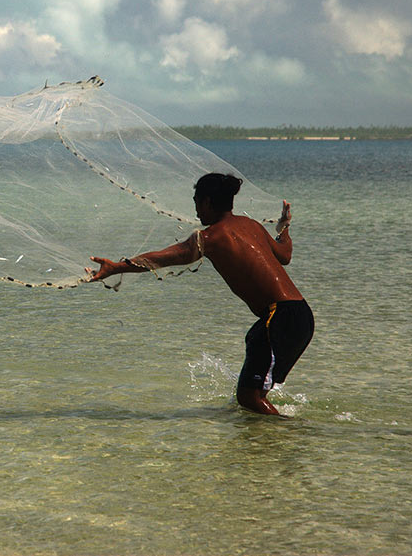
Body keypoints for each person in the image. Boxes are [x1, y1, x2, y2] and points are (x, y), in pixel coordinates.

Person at [88, 173, 314, 415]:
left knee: (248, 397)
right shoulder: (253, 226)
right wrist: (284, 229)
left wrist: (116, 267)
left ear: (207, 202)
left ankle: (290, 435)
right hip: (298, 315)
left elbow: (163, 258)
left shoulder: (211, 238)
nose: (195, 209)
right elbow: (285, 255)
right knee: (253, 372)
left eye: (196, 201)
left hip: (280, 318)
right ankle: (264, 442)